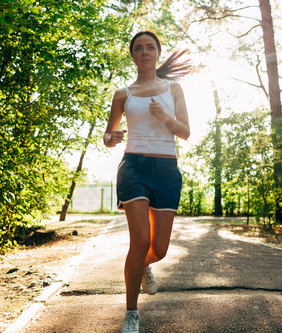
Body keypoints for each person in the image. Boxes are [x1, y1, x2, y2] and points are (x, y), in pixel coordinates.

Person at [103, 30, 192, 333]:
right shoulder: (122, 94)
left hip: (167, 169)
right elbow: (108, 134)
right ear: (133, 55)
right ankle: (131, 313)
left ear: (157, 53)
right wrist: (111, 137)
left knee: (159, 248)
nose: (144, 52)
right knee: (139, 241)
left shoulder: (173, 89)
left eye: (150, 48)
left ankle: (143, 266)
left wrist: (166, 117)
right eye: (138, 48)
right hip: (134, 168)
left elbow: (185, 132)